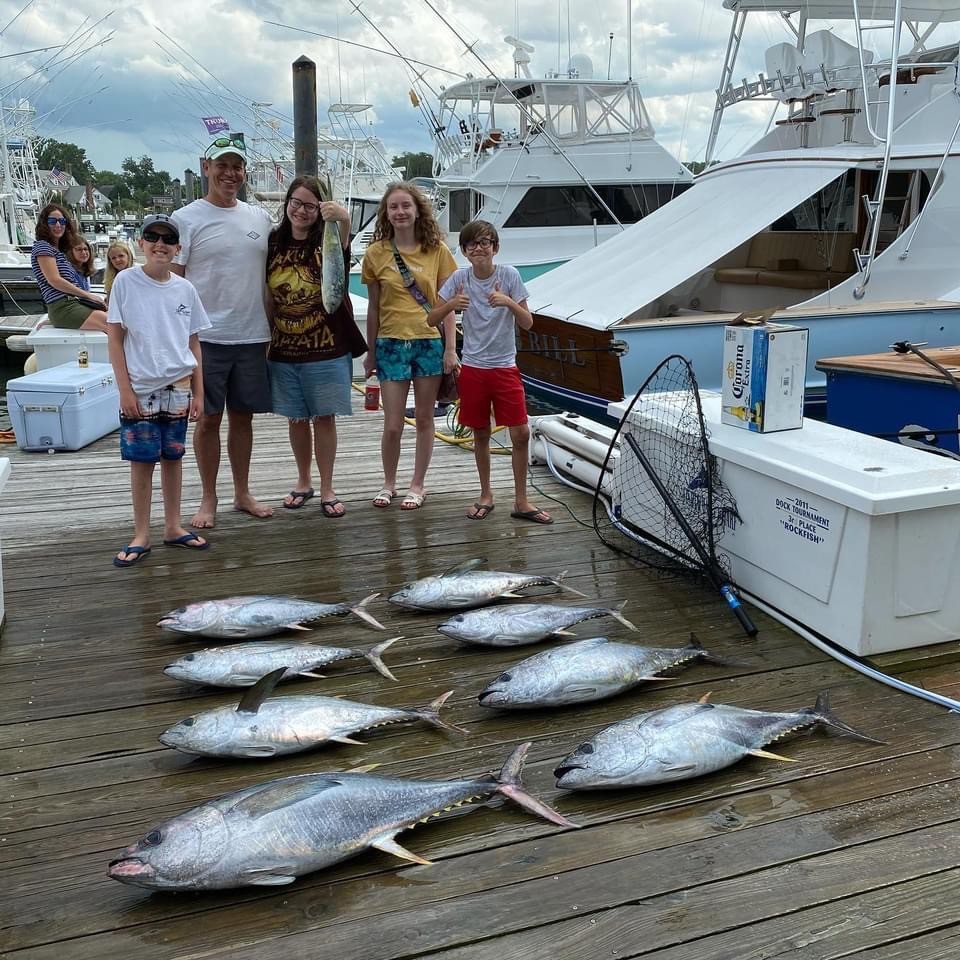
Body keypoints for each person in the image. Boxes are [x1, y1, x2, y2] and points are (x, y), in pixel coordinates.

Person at [170, 134, 274, 529]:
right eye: (222, 165)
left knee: (244, 418)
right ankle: (209, 498)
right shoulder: (186, 219)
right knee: (209, 419)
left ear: (244, 172)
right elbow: (174, 285)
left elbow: (268, 279)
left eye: (237, 166)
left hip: (253, 335)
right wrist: (179, 342)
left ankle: (242, 492)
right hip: (205, 339)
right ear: (206, 168)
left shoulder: (258, 218)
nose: (230, 173)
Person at [427, 219, 553, 524]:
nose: (479, 248)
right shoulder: (458, 279)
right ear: (465, 251)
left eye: (485, 242)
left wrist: (507, 301)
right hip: (472, 367)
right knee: (480, 432)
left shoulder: (509, 275)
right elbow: (432, 319)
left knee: (520, 432)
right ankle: (486, 494)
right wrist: (452, 305)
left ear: (495, 248)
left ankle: (521, 501)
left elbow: (528, 323)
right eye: (472, 244)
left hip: (505, 367)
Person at [106, 213, 212, 568]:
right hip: (141, 386)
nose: (160, 244)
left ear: (178, 248)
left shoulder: (186, 289)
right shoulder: (125, 282)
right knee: (141, 462)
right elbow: (116, 339)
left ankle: (172, 525)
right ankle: (141, 533)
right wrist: (124, 389)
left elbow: (193, 343)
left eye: (168, 239)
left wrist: (198, 391)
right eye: (152, 236)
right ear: (141, 243)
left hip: (179, 384)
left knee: (174, 457)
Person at [266, 176, 364, 517]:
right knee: (296, 418)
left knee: (324, 418)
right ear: (287, 203)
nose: (301, 211)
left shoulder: (330, 239)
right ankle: (303, 481)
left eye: (310, 205)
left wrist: (343, 218)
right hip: (285, 347)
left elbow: (345, 250)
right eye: (296, 202)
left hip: (327, 348)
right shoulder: (273, 242)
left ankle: (326, 486)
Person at [361, 181, 457, 510]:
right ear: (386, 214)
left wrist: (450, 349)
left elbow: (447, 306)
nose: (400, 212)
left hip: (428, 342)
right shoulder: (376, 253)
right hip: (390, 343)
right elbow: (373, 307)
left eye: (406, 206)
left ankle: (418, 484)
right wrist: (371, 350)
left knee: (426, 419)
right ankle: (389, 482)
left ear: (418, 210)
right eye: (393, 207)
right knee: (392, 422)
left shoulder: (438, 251)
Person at [30, 204, 108, 331]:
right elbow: (54, 280)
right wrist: (88, 296)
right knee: (113, 325)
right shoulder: (43, 246)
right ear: (44, 223)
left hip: (73, 303)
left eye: (62, 221)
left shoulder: (58, 250)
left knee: (114, 317)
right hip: (63, 307)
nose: (58, 225)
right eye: (52, 221)